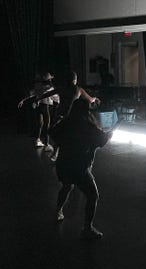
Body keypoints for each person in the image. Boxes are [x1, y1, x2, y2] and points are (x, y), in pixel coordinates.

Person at [48, 99, 112, 240]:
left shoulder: (67, 122)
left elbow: (52, 132)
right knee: (93, 195)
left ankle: (58, 211)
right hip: (80, 166)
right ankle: (87, 228)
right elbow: (102, 141)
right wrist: (109, 134)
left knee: (66, 186)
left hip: (64, 163)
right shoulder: (88, 126)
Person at [18, 71, 99, 161]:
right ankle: (67, 154)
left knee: (60, 134)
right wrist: (95, 99)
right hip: (70, 115)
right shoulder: (78, 89)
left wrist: (38, 99)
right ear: (75, 80)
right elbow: (90, 100)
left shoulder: (61, 88)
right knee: (72, 134)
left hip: (60, 114)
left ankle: (55, 153)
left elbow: (47, 94)